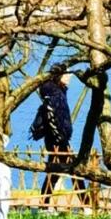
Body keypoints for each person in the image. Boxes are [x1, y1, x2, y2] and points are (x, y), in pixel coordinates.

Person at [33, 72, 74, 206]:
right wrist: (60, 137)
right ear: (59, 76)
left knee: (55, 172)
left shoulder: (59, 94)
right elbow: (53, 119)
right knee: (74, 169)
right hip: (56, 140)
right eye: (67, 74)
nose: (69, 77)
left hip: (58, 139)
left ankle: (44, 203)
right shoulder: (54, 96)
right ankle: (86, 204)